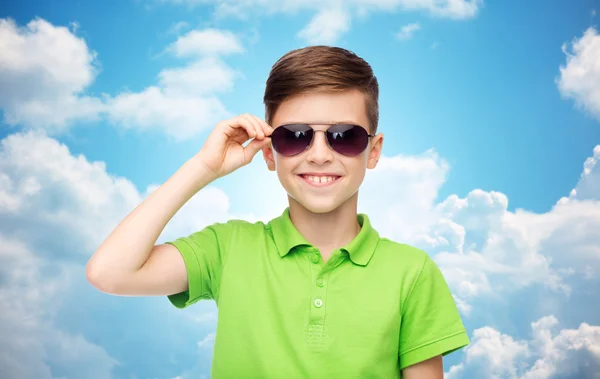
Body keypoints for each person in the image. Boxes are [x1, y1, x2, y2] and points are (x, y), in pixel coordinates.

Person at [86, 45, 469, 379]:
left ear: (374, 150)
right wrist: (204, 168)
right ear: (269, 152)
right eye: (295, 136)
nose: (319, 155)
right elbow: (110, 273)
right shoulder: (229, 248)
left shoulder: (412, 272)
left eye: (345, 136)